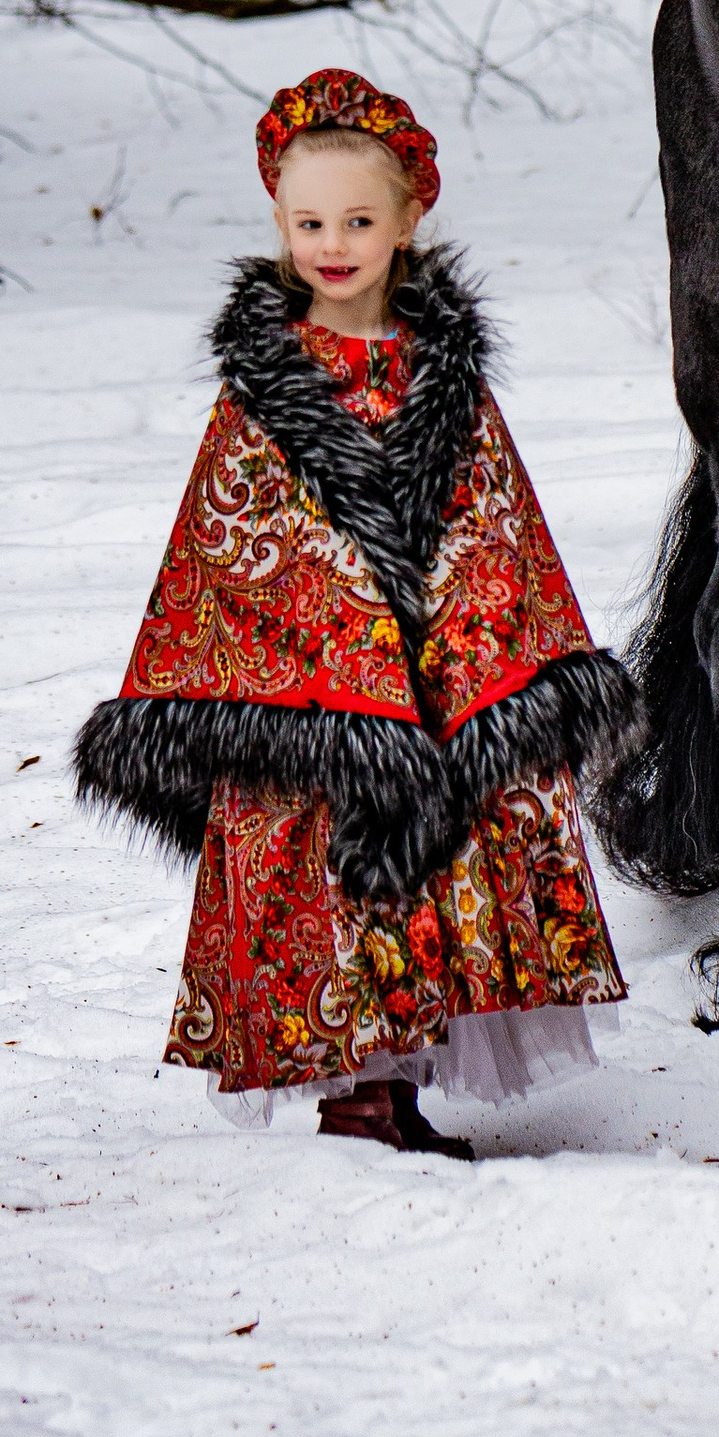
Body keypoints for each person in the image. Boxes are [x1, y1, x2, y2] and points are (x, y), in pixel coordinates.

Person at [74, 67, 638, 1157]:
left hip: (442, 672)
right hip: (315, 685)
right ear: (279, 221)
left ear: (410, 216)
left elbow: (496, 521)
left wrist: (464, 642)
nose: (333, 244)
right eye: (308, 222)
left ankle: (399, 1081)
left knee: (437, 859)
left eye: (359, 220)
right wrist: (345, 635)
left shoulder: (446, 379)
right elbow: (234, 536)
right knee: (332, 864)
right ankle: (357, 1095)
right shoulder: (265, 383)